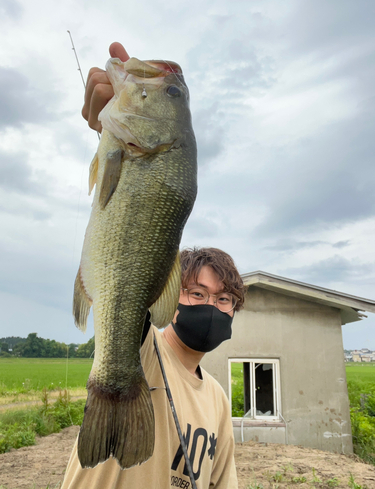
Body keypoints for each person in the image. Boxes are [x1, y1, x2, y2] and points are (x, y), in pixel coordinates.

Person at [61, 44, 245, 489]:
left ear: (236, 310)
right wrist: (110, 124)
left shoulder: (219, 403)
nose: (211, 306)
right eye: (197, 293)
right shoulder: (145, 351)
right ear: (173, 296)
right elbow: (135, 307)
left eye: (223, 299)